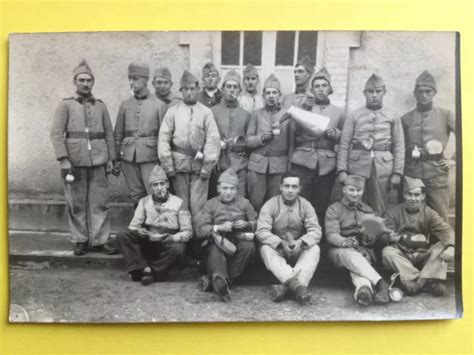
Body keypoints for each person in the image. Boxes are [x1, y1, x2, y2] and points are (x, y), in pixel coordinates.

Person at [50, 59, 117, 256]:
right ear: (75, 81)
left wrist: (111, 159)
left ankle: (100, 240)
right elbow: (56, 134)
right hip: (74, 161)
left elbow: (109, 134)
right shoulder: (65, 105)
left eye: (89, 80)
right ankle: (80, 239)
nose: (85, 84)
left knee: (100, 202)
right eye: (81, 80)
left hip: (99, 161)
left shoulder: (101, 106)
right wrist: (63, 159)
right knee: (76, 202)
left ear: (93, 82)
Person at [337, 73, 405, 215]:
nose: (374, 95)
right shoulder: (354, 115)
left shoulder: (393, 115)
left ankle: (378, 235)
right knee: (356, 204)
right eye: (370, 92)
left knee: (380, 206)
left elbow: (399, 145)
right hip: (357, 167)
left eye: (378, 92)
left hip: (383, 167)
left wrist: (397, 172)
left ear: (384, 93)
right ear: (364, 93)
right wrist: (342, 170)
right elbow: (344, 144)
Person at [158, 70, 221, 217]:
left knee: (198, 206)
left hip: (200, 168)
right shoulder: (172, 112)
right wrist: (168, 165)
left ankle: (198, 238)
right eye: (185, 89)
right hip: (178, 166)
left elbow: (213, 139)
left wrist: (207, 166)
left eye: (192, 88)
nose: (189, 92)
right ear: (181, 91)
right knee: (181, 205)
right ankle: (183, 237)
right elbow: (163, 139)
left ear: (197, 89)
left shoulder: (206, 112)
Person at [116, 165, 193, 285]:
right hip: (149, 241)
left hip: (168, 242)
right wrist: (139, 231)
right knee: (123, 234)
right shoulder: (144, 201)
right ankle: (143, 268)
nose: (159, 188)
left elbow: (188, 232)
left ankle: (149, 270)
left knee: (179, 249)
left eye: (162, 184)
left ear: (167, 184)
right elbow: (133, 226)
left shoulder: (179, 202)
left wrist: (172, 237)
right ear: (151, 187)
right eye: (155, 185)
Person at [381, 177, 455, 297]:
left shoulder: (429, 212)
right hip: (402, 256)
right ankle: (426, 282)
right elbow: (384, 235)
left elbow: (445, 230)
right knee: (387, 252)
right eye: (409, 194)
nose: (413, 198)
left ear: (423, 196)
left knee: (442, 246)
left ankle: (416, 284)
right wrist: (390, 237)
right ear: (404, 195)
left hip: (422, 256)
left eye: (416, 195)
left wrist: (451, 246)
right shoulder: (393, 212)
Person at [289, 67, 345, 225]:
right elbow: (293, 131)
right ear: (312, 89)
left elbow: (346, 138)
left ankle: (316, 243)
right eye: (317, 86)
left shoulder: (339, 112)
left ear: (330, 89)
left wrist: (337, 134)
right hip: (303, 162)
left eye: (324, 86)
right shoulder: (305, 107)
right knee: (300, 204)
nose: (321, 89)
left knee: (320, 205)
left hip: (326, 164)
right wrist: (304, 109)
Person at [256, 172, 321, 305]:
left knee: (315, 248)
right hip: (279, 249)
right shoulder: (270, 204)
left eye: (294, 187)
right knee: (265, 249)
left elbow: (316, 231)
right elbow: (261, 231)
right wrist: (279, 243)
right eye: (287, 186)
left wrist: (301, 242)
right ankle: (298, 287)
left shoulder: (305, 205)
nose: (290, 190)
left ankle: (288, 287)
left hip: (298, 248)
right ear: (280, 187)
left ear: (299, 189)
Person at [325, 175, 390, 306]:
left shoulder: (368, 210)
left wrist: (369, 238)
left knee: (359, 262)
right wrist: (345, 242)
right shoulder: (334, 209)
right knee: (351, 255)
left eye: (359, 190)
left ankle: (364, 290)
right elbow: (331, 235)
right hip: (340, 251)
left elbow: (372, 236)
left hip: (362, 251)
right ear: (344, 189)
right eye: (351, 190)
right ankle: (381, 283)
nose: (355, 194)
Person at [194, 168, 258, 301]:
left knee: (249, 246)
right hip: (216, 243)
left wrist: (247, 224)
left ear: (237, 189)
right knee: (215, 248)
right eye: (225, 188)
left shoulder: (245, 203)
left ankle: (219, 281)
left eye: (232, 188)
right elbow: (200, 230)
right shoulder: (210, 204)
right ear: (218, 188)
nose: (228, 192)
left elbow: (258, 223)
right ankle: (220, 282)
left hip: (238, 242)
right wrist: (218, 227)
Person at [401, 70, 456, 221]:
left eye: (428, 91)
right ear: (415, 93)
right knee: (412, 215)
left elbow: (467, 136)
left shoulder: (445, 114)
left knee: (439, 214)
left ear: (434, 93)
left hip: (437, 173)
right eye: (420, 92)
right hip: (412, 173)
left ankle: (440, 243)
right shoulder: (405, 119)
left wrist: (454, 160)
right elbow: (399, 146)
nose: (424, 95)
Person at [114, 63, 167, 206]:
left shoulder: (159, 105)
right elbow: (118, 133)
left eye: (135, 79)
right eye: (130, 78)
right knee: (135, 194)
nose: (131, 82)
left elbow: (165, 136)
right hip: (128, 157)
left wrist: (164, 160)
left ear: (145, 80)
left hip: (150, 156)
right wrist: (116, 158)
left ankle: (154, 227)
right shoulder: (125, 105)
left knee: (154, 192)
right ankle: (139, 226)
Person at [246, 74, 292, 211]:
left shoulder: (288, 115)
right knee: (256, 201)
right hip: (257, 165)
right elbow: (248, 140)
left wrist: (288, 166)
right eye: (268, 93)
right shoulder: (256, 114)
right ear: (263, 96)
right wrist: (261, 138)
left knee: (276, 202)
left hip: (278, 165)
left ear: (280, 95)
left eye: (274, 93)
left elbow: (291, 144)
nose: (271, 96)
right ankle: (255, 230)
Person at [210, 69, 251, 197]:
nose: (231, 90)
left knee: (239, 203)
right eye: (228, 86)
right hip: (219, 166)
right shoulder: (212, 112)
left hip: (240, 166)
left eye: (235, 87)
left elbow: (249, 142)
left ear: (240, 90)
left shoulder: (246, 115)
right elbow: (207, 138)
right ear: (222, 89)